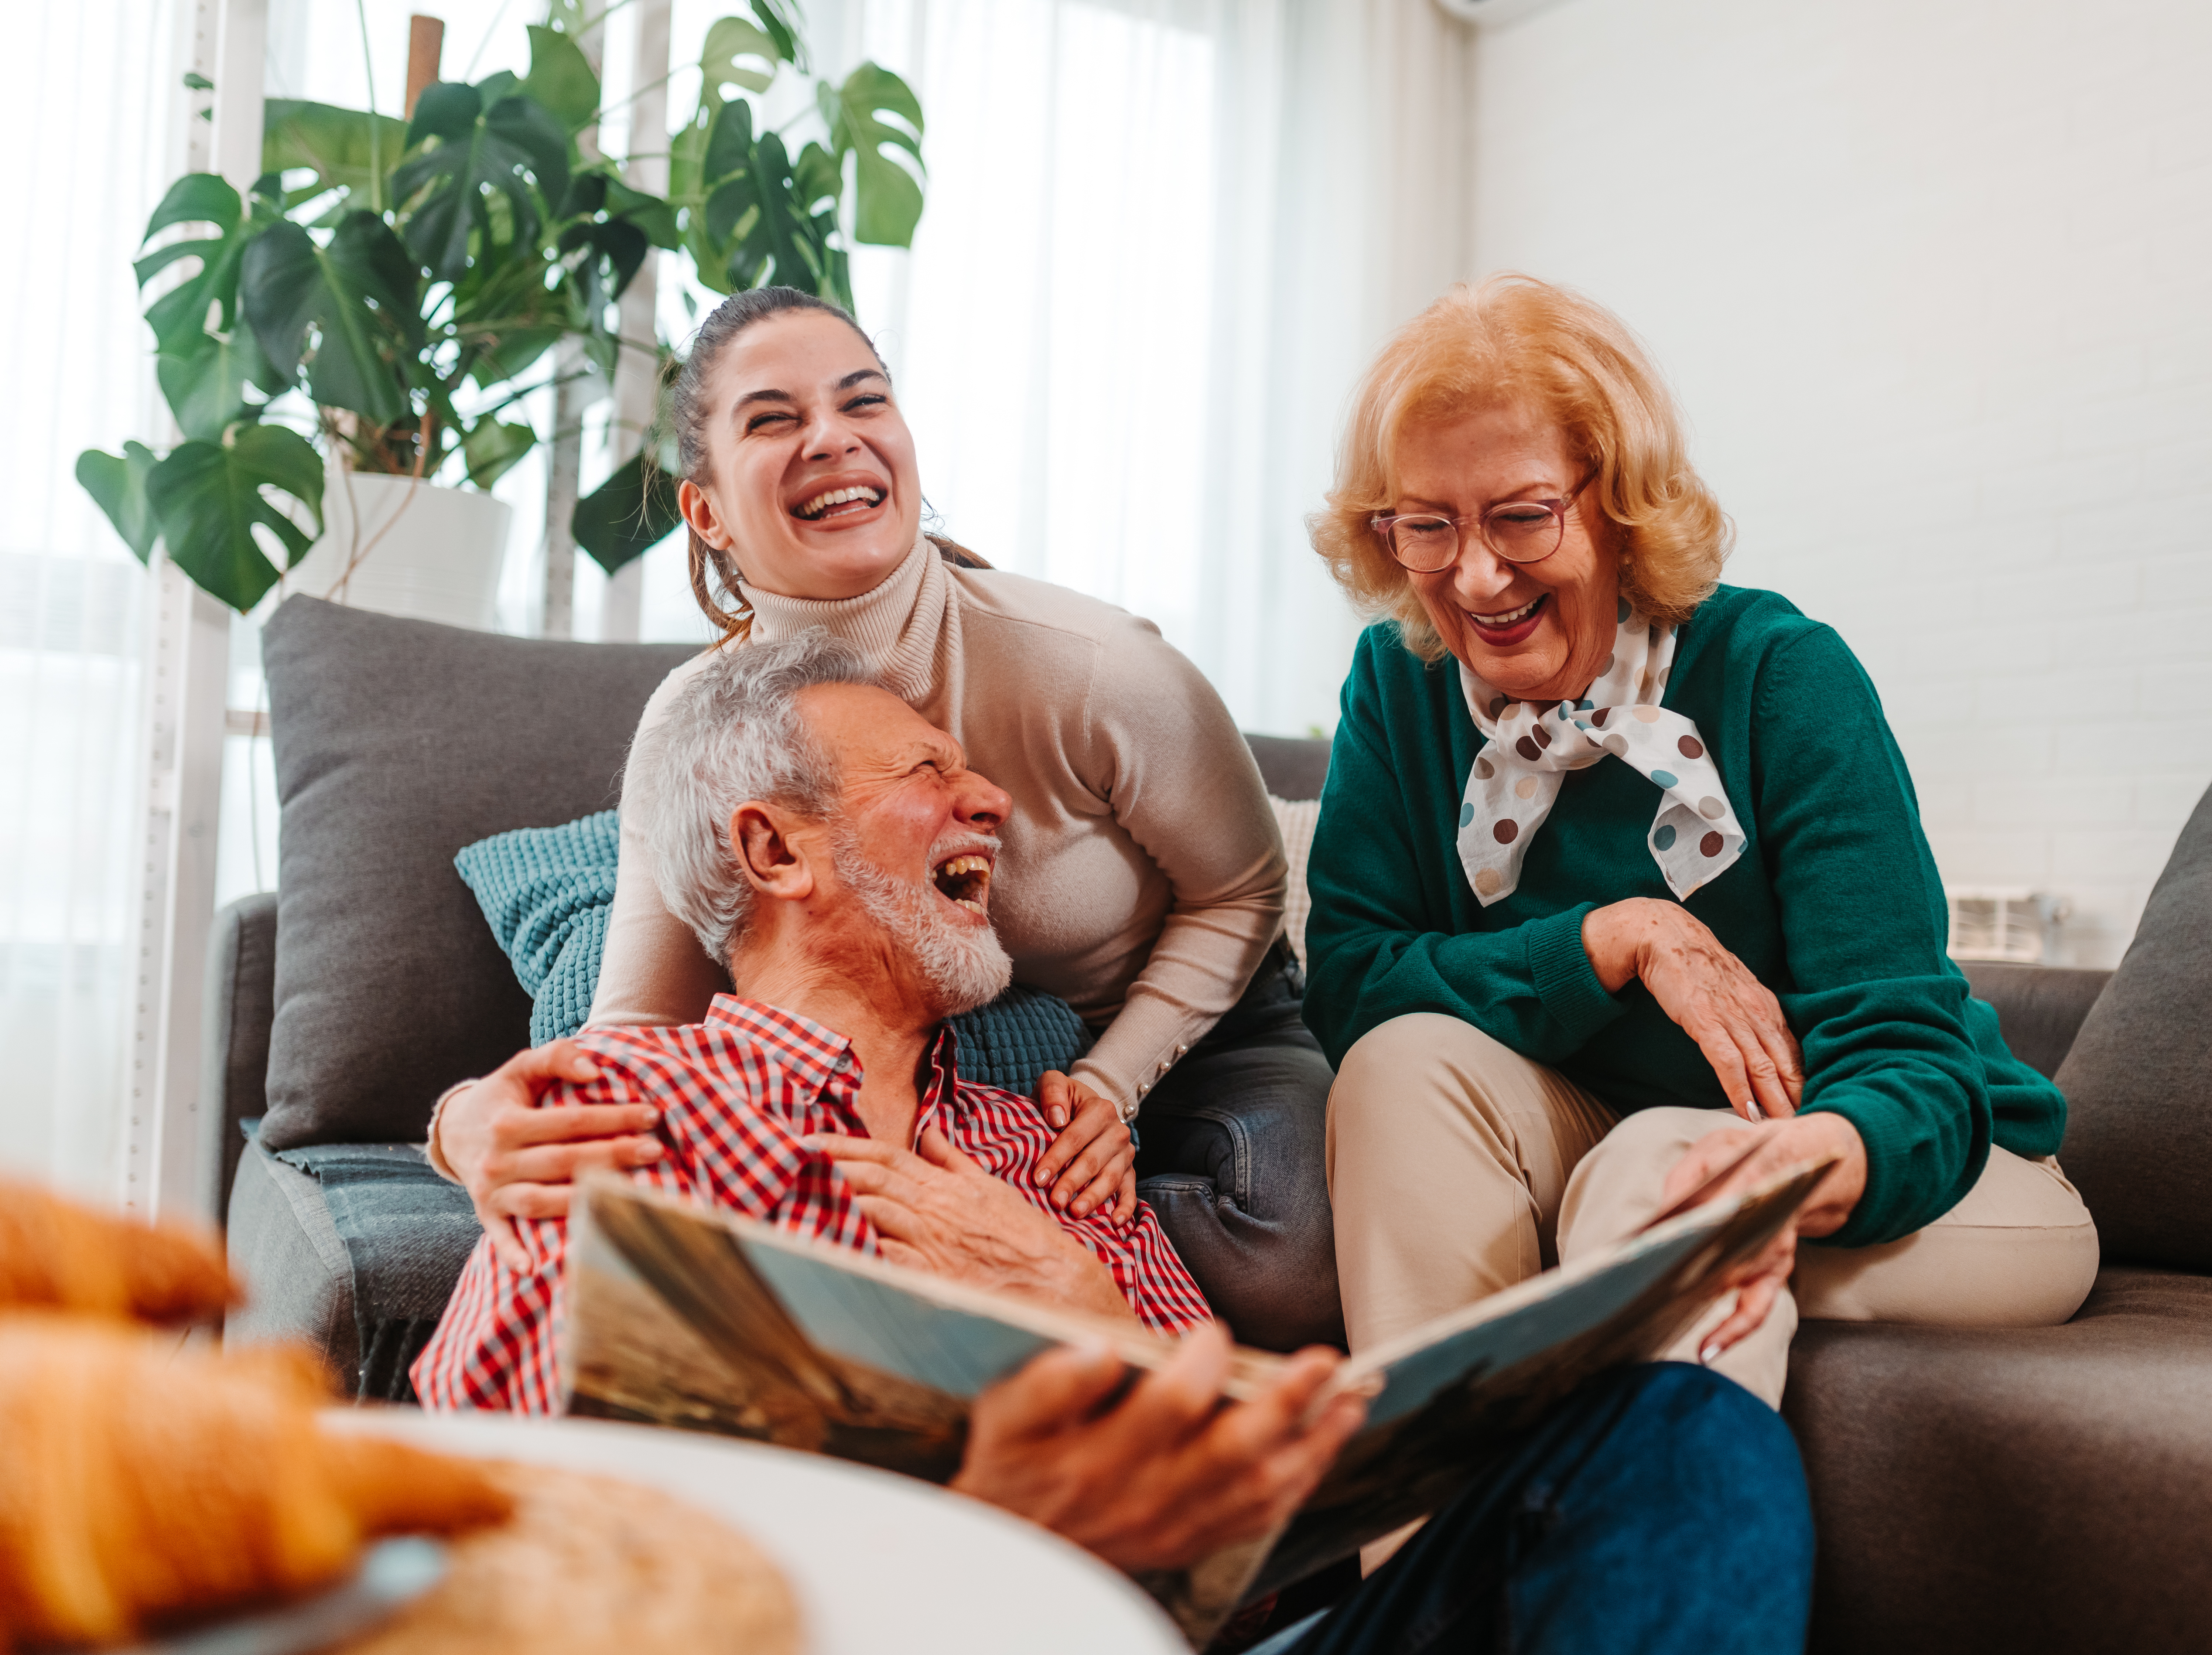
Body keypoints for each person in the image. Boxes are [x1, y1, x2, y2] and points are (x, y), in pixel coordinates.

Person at [421, 630, 1816, 1655]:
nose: (996, 807)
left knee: (1681, 1434)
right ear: (776, 854)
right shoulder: (622, 1120)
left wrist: (1093, 1318)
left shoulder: (1051, 1154)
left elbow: (1253, 1563)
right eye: (928, 774)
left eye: (979, 773)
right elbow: (502, 1551)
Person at [425, 286, 1341, 1351]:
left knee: (1290, 1259)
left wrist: (1110, 1087)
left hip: (1196, 1014)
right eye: (773, 420)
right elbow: (634, 1038)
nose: (832, 437)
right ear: (707, 510)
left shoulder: (1096, 667)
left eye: (864, 401)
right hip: (977, 1024)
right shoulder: (696, 727)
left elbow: (1244, 889)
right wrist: (462, 1125)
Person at [1304, 274, 2099, 1407]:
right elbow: (1349, 981)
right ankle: (1431, 1568)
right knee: (1398, 1067)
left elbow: (1912, 1062)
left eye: (1523, 515)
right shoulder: (1402, 681)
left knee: (1656, 1171)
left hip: (1916, 1159)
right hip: (1608, 1137)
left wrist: (1797, 1168)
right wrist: (1610, 939)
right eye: (1427, 526)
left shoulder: (1782, 674)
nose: (1475, 577)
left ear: (1621, 506)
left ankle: (1659, 1578)